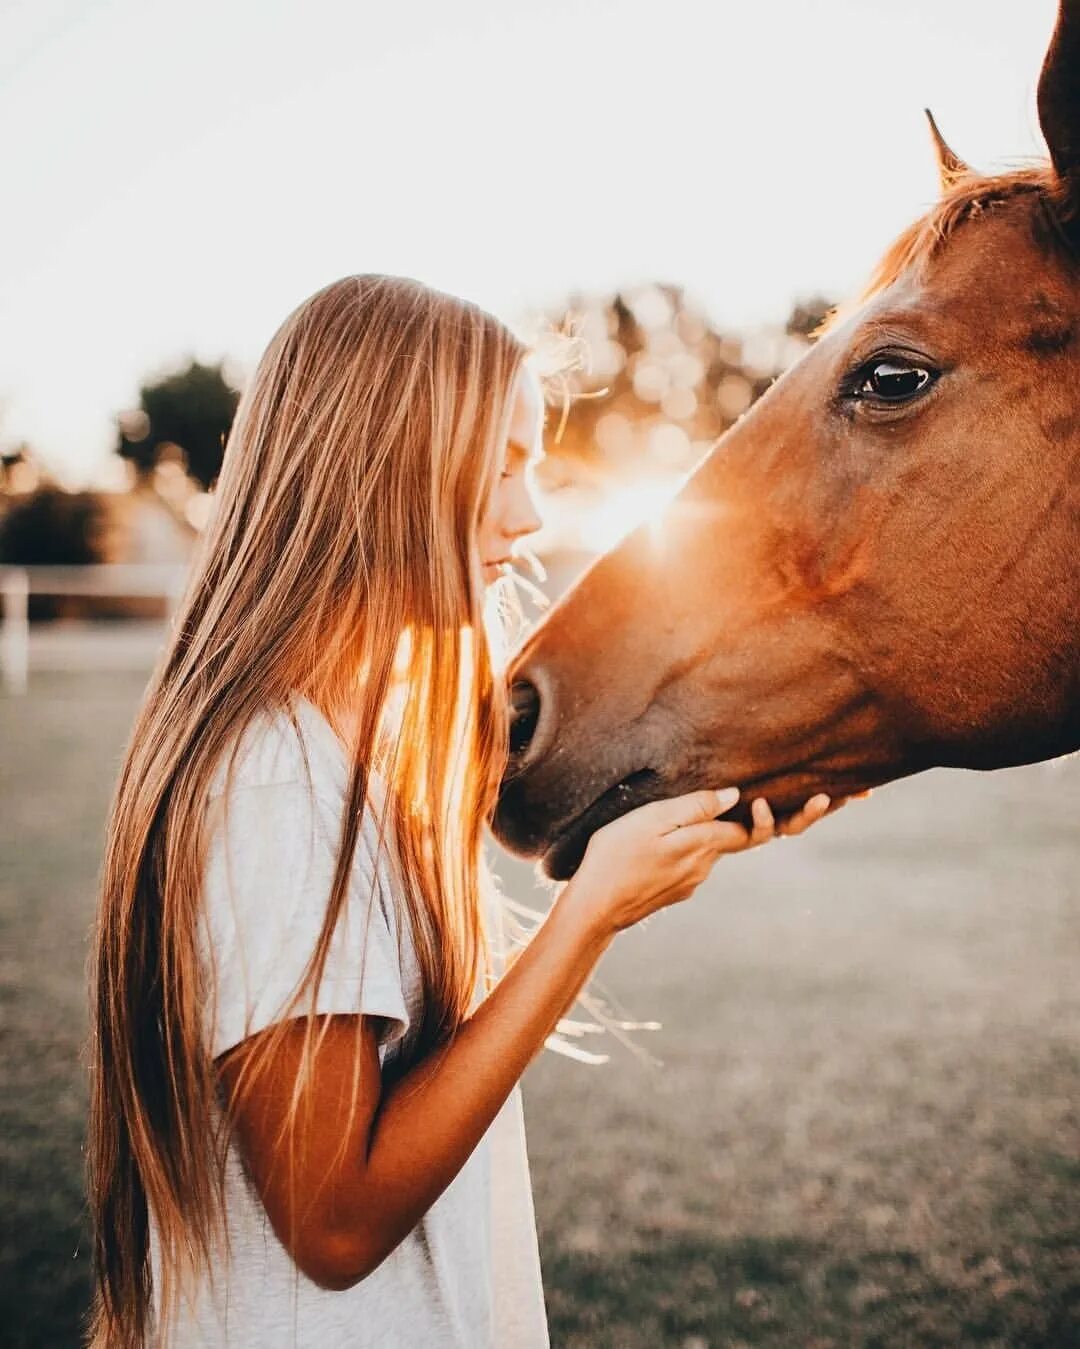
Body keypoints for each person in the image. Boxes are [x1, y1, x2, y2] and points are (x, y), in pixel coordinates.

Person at [86, 274, 836, 1348]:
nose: (529, 518)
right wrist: (587, 921)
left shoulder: (346, 746)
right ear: (378, 467)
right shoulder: (279, 779)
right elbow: (334, 1224)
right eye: (501, 468)